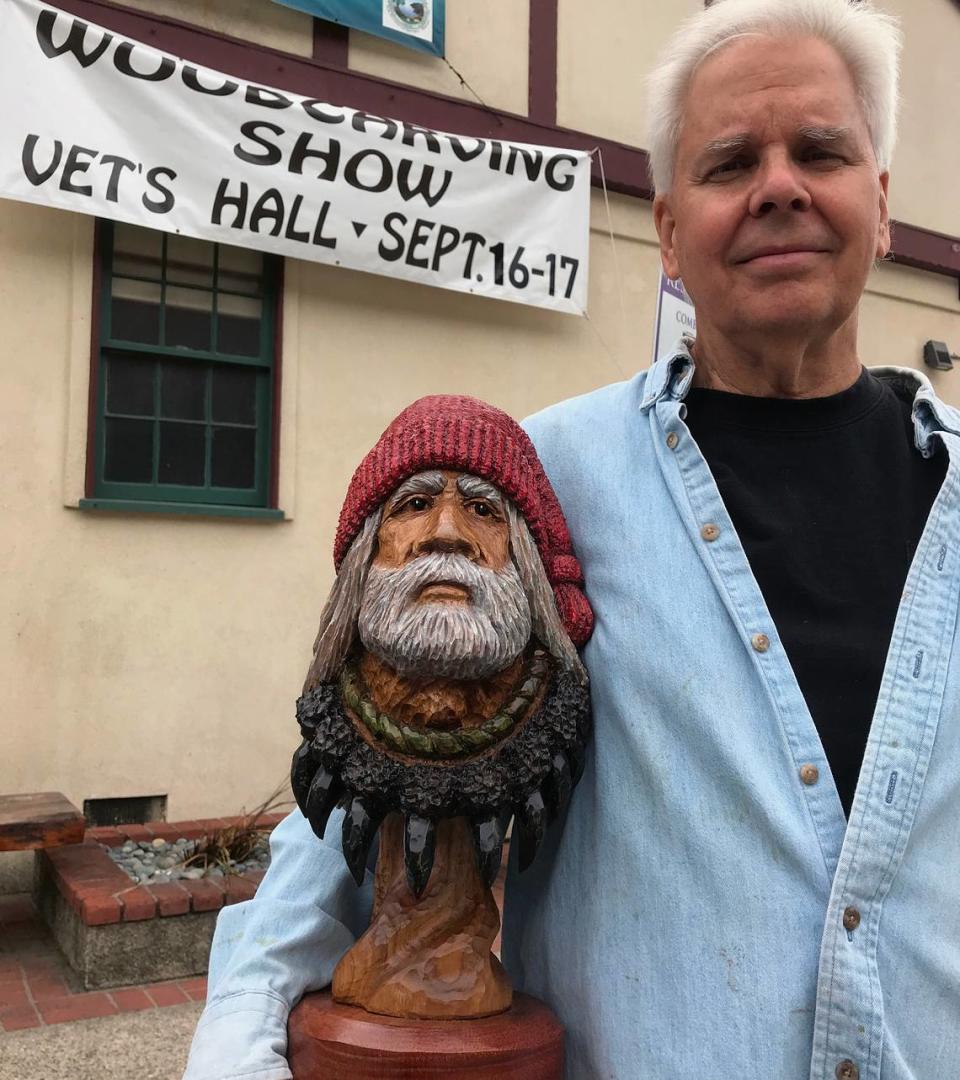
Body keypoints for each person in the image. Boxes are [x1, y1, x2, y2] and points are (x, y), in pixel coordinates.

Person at [184, 1, 960, 1077]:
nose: (779, 185)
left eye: (820, 151)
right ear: (670, 232)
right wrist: (240, 1049)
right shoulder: (536, 487)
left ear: (880, 205)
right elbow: (351, 812)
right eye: (730, 162)